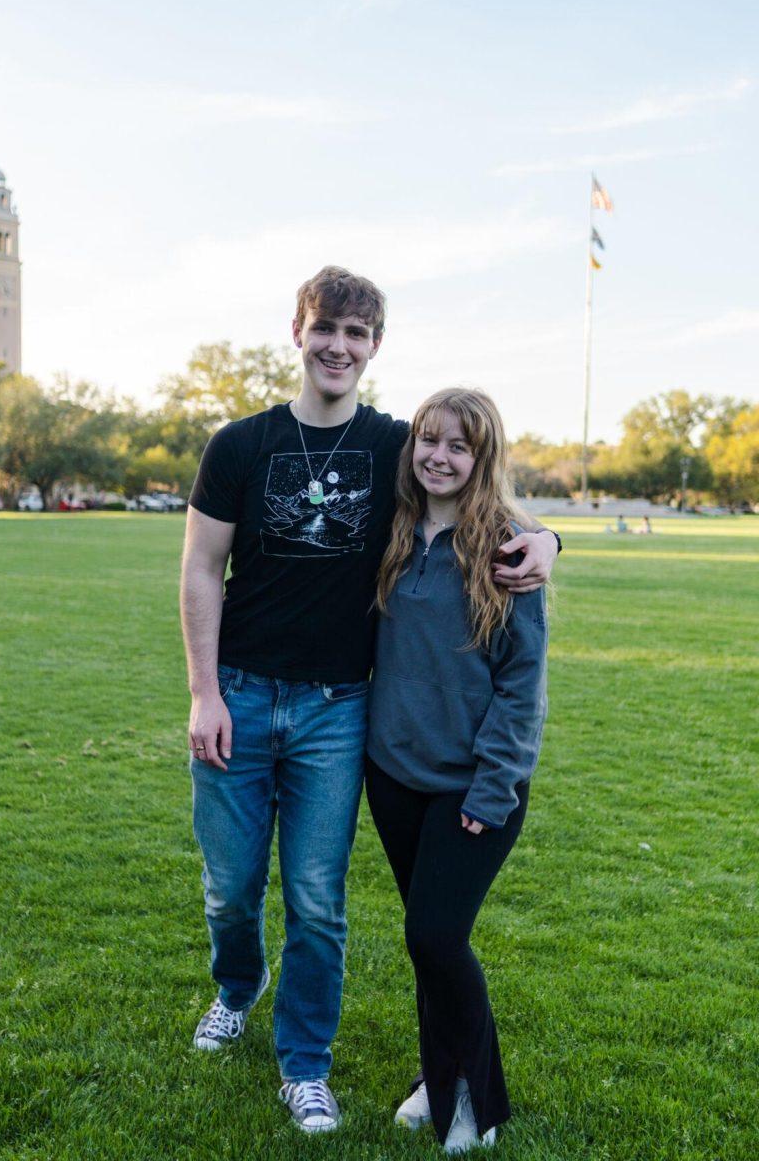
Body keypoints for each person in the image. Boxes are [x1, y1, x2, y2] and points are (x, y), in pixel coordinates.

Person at [180, 267, 560, 1133]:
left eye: (357, 335)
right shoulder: (239, 444)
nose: (339, 348)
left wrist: (546, 538)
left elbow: (475, 479)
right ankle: (237, 989)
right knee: (231, 890)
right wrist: (204, 692)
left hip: (336, 710)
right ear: (298, 331)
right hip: (238, 693)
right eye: (327, 330)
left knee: (318, 897)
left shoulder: (393, 441)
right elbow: (201, 568)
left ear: (374, 347)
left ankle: (305, 1064)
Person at [365, 387, 548, 1153]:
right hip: (394, 776)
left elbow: (522, 683)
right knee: (425, 940)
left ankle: (478, 1101)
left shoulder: (507, 546)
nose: (439, 456)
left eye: (458, 446)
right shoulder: (394, 529)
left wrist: (493, 786)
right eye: (428, 441)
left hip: (475, 788)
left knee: (438, 936)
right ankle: (434, 1082)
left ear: (482, 457)